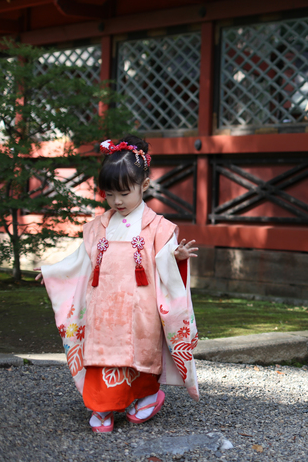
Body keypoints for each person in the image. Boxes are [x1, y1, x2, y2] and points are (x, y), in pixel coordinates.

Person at [37, 136, 200, 433]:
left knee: (140, 355)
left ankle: (148, 395)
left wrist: (175, 256)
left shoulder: (158, 227)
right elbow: (80, 261)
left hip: (140, 311)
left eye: (124, 193)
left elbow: (164, 259)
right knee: (101, 353)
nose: (117, 202)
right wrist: (53, 273)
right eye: (110, 194)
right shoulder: (98, 226)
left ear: (145, 186)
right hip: (103, 311)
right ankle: (102, 406)